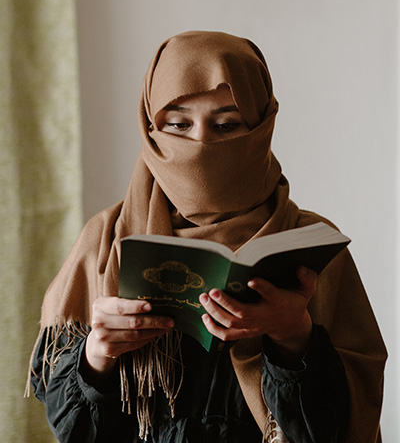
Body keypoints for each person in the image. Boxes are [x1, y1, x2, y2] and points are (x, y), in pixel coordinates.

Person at [27, 31, 387, 443]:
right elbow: (72, 430)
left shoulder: (309, 245)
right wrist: (98, 354)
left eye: (227, 124)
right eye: (178, 123)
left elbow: (343, 427)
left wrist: (294, 338)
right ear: (150, 127)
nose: (200, 144)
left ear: (261, 126)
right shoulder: (105, 241)